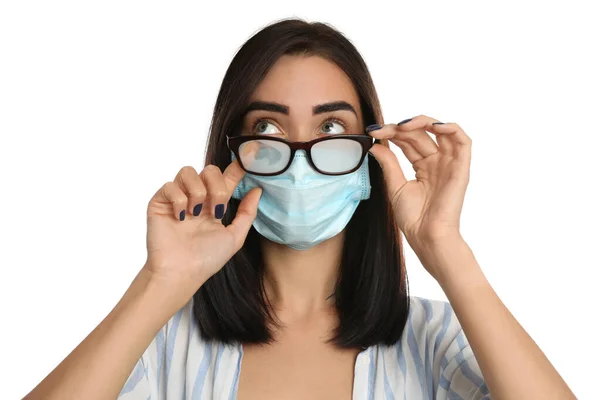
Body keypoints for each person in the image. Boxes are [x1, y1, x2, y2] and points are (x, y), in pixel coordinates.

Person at [23, 18, 575, 400]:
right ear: (231, 156)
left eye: (331, 126)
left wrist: (448, 252)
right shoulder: (162, 341)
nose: (301, 158)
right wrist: (161, 282)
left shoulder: (438, 336)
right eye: (267, 126)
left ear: (369, 156)